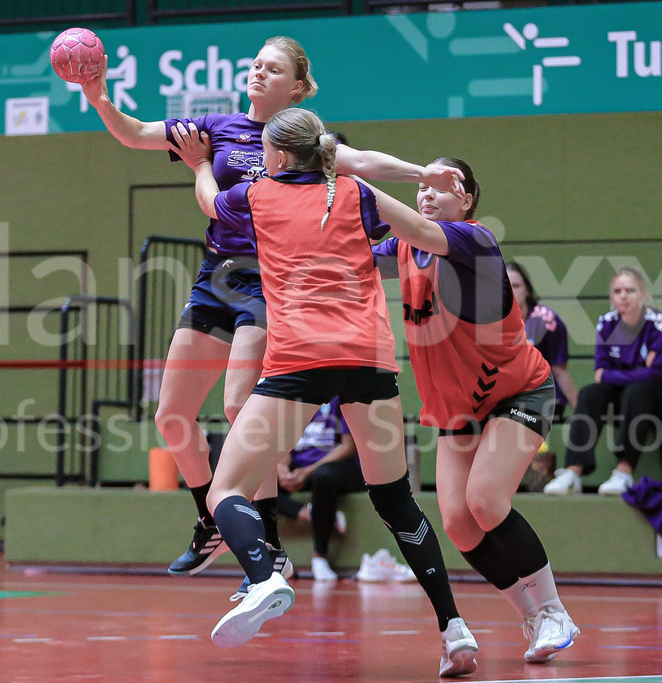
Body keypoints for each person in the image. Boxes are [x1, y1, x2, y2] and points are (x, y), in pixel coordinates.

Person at [81, 36, 466, 575]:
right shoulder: (218, 128)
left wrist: (421, 173)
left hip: (270, 284)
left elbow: (365, 162)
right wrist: (99, 97)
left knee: (241, 406)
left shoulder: (308, 142)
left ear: (298, 88)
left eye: (274, 68)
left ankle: (268, 546)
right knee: (172, 416)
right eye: (256, 64)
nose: (260, 72)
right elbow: (137, 132)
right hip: (214, 281)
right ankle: (210, 518)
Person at [170, 109, 479, 677]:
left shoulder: (258, 194)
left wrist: (196, 166)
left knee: (225, 488)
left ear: (280, 157)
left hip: (301, 362)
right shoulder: (357, 192)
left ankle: (265, 575)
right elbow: (425, 235)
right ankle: (454, 629)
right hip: (370, 363)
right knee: (396, 499)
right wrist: (432, 187)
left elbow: (212, 202)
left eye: (264, 150)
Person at [364, 157, 580, 664]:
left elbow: (392, 216)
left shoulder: (474, 241)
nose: (428, 192)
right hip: (456, 409)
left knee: (485, 499)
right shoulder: (406, 248)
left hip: (517, 391)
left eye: (444, 185)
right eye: (423, 184)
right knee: (460, 523)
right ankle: (530, 616)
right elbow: (356, 250)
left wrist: (340, 176)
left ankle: (554, 611)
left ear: (468, 199)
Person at [543, 267, 662, 496]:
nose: (623, 296)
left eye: (630, 290)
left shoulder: (659, 323)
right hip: (631, 397)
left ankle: (623, 472)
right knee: (590, 393)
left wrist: (615, 375)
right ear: (611, 297)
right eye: (617, 291)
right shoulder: (606, 323)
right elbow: (600, 374)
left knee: (639, 390)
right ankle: (573, 472)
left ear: (643, 294)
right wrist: (635, 372)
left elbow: (658, 375)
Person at [276, 397, 363, 582]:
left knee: (323, 476)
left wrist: (307, 472)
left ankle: (320, 557)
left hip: (338, 467)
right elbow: (285, 447)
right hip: (300, 468)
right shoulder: (294, 400)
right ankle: (307, 512)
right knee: (257, 477)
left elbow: (349, 446)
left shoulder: (341, 397)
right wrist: (282, 469)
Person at [506, 261, 578, 421]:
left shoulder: (547, 322)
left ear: (527, 290)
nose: (510, 292)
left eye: (516, 286)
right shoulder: (485, 323)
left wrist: (581, 415)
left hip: (543, 397)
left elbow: (560, 372)